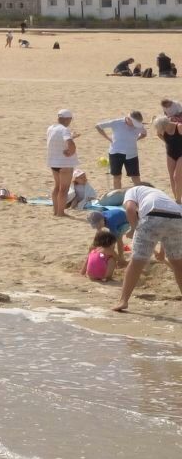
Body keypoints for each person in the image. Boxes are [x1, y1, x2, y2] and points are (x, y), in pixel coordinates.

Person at [114, 180, 182, 312]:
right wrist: (162, 252)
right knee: (178, 263)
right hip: (178, 218)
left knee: (137, 261)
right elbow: (166, 222)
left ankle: (123, 300)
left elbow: (130, 209)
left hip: (153, 216)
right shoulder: (161, 195)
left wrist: (133, 229)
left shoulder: (133, 190)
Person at [97, 111, 147, 191]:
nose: (135, 126)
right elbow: (98, 126)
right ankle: (117, 195)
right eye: (134, 123)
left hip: (132, 154)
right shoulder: (116, 122)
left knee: (135, 177)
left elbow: (144, 134)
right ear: (128, 119)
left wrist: (136, 139)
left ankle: (139, 195)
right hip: (115, 153)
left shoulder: (139, 125)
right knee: (117, 177)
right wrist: (108, 138)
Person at [46, 108, 78, 217]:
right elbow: (70, 143)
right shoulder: (64, 129)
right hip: (64, 163)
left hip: (53, 162)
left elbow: (58, 140)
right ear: (67, 119)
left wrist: (72, 137)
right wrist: (71, 151)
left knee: (57, 187)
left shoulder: (51, 128)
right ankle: (61, 212)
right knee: (64, 189)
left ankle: (55, 211)